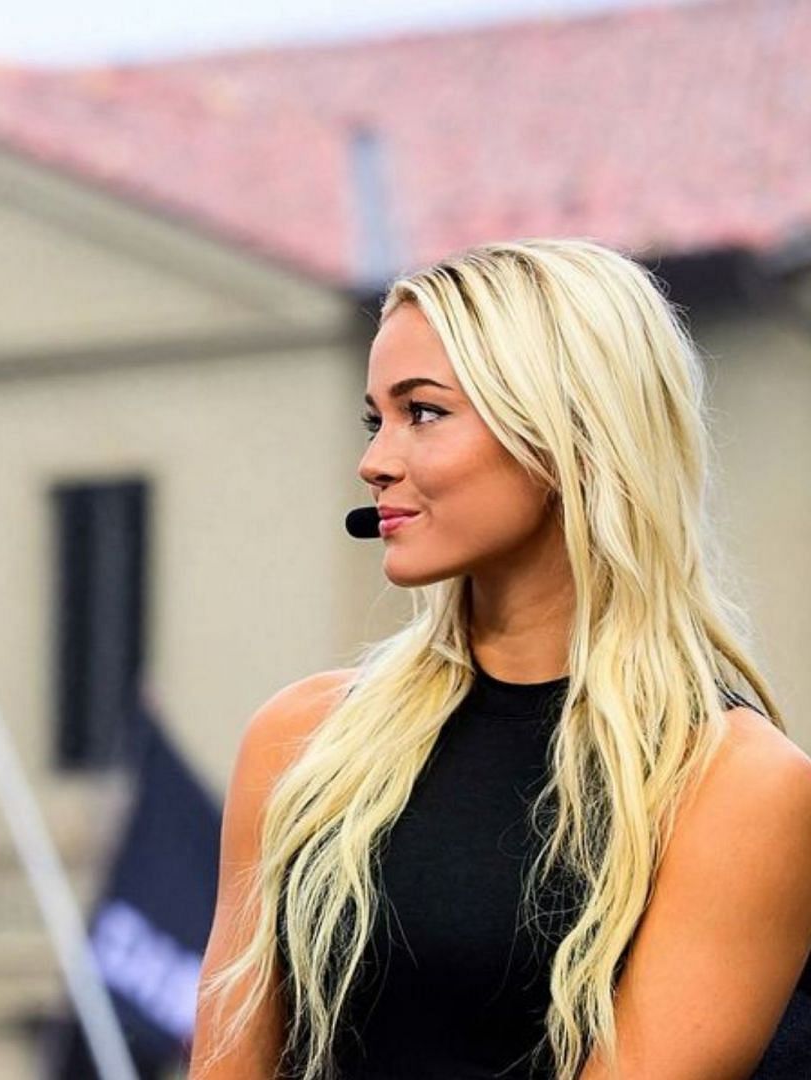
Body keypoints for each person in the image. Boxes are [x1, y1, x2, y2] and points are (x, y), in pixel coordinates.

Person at [189, 239, 811, 1079]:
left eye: (426, 413)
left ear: (571, 435)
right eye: (378, 418)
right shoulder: (302, 744)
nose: (375, 461)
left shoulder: (734, 783)